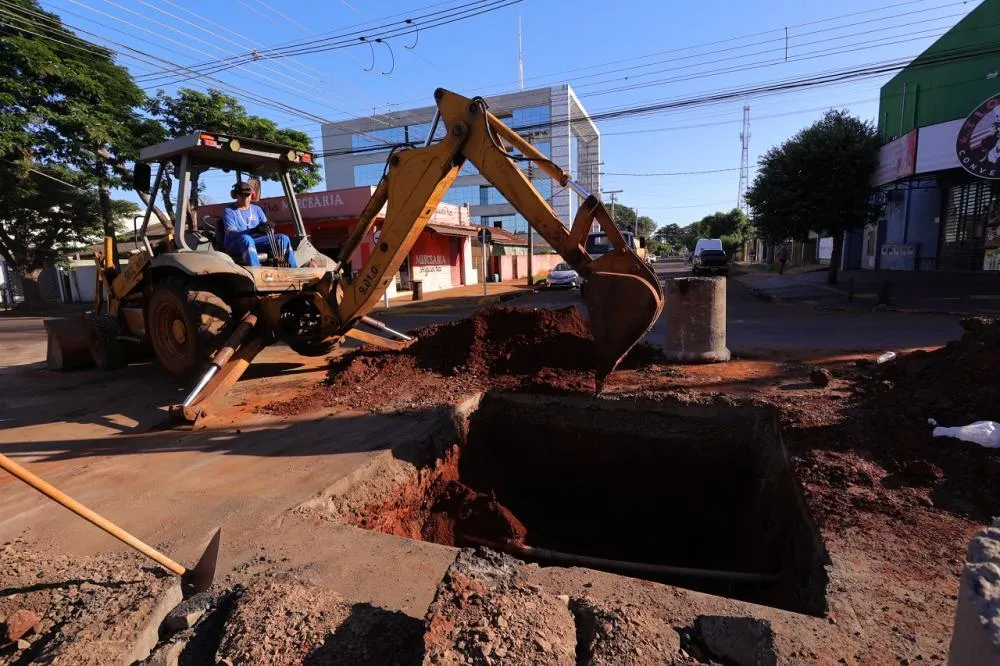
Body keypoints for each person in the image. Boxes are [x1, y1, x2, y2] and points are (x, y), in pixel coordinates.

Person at [222, 181, 298, 268]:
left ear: (252, 196)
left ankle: (293, 270)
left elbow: (266, 229)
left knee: (283, 238)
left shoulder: (257, 209)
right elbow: (232, 234)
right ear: (235, 195)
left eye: (247, 195)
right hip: (236, 245)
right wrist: (253, 230)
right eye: (241, 195)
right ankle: (257, 272)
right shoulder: (229, 210)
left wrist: (268, 228)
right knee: (246, 239)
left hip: (255, 242)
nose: (245, 198)